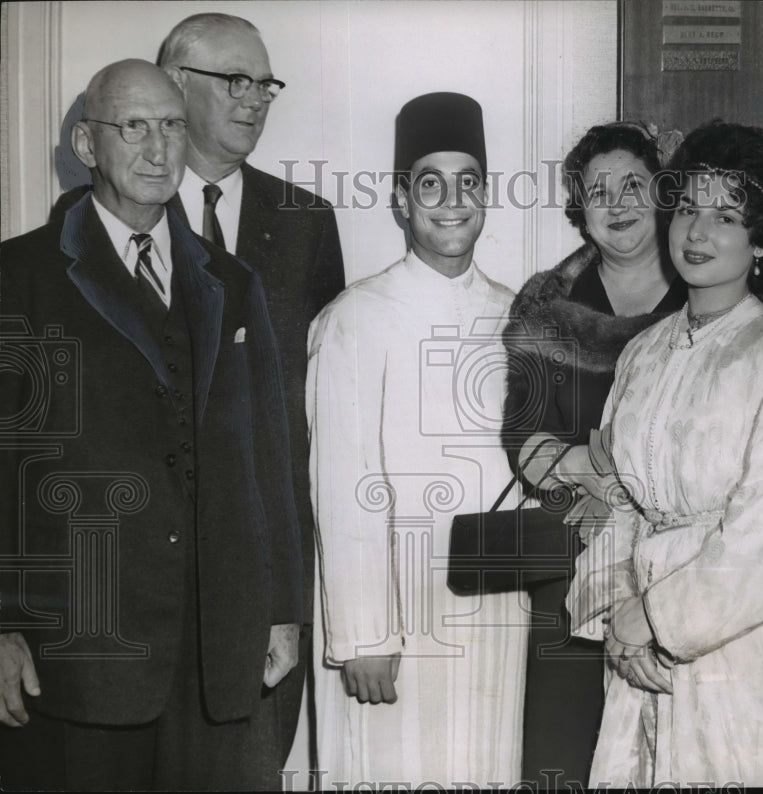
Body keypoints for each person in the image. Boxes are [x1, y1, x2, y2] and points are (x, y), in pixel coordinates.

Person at [0, 60, 301, 790]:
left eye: (171, 126)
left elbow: (272, 454)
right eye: (133, 127)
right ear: (85, 142)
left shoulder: (231, 283)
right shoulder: (20, 276)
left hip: (217, 651)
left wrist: (284, 609)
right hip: (78, 654)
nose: (159, 149)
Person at [51, 16, 346, 759]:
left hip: (250, 573)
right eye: (234, 80)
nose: (255, 100)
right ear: (175, 82)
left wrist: (288, 595)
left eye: (265, 84)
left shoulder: (308, 221)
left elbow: (308, 415)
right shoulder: (93, 220)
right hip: (124, 585)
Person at [561, 121, 763, 787]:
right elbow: (618, 498)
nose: (697, 232)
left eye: (726, 216)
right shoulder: (642, 352)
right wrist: (619, 621)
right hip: (636, 651)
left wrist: (657, 618)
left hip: (740, 647)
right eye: (685, 209)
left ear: (760, 239)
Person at [307, 92, 526, 787]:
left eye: (468, 183)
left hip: (491, 604)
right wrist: (366, 635)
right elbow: (340, 482)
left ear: (486, 197)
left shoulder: (518, 314)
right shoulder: (356, 318)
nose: (451, 201)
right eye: (430, 182)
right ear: (403, 199)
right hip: (392, 609)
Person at [500, 120, 686, 786]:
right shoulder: (548, 307)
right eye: (598, 191)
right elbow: (521, 435)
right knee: (563, 755)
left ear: (661, 193)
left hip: (678, 564)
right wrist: (594, 474)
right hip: (572, 557)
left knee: (670, 751)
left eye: (633, 184)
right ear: (580, 210)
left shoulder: (705, 294)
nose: (619, 203)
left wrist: (634, 484)